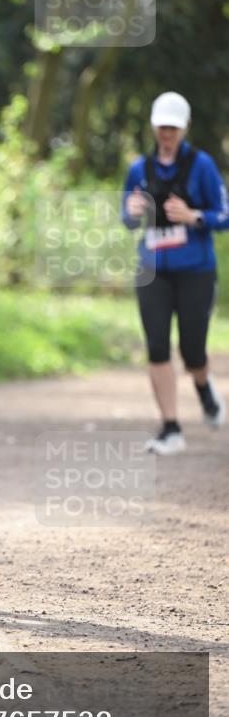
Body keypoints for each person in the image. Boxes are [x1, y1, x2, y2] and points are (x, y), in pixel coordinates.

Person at [122, 91, 229, 454]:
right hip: (152, 270)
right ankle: (170, 428)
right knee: (156, 346)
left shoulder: (202, 166)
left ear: (183, 129)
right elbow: (127, 218)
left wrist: (194, 216)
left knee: (192, 351)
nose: (167, 133)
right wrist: (133, 210)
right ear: (154, 126)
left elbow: (223, 216)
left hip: (196, 270)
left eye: (174, 127)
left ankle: (203, 387)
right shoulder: (139, 168)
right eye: (162, 126)